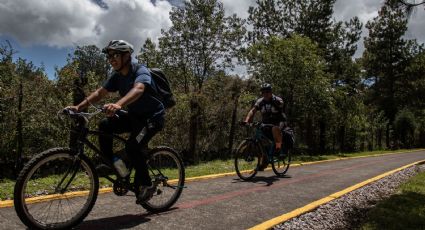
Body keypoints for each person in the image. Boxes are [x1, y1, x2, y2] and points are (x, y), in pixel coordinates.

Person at [66, 40, 164, 204]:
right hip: (135, 117)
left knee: (132, 147)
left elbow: (139, 89)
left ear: (127, 56)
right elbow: (100, 93)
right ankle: (114, 166)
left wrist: (118, 104)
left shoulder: (141, 70)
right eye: (109, 56)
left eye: (115, 55)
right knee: (105, 125)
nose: (111, 59)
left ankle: (147, 185)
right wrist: (79, 107)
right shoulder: (117, 76)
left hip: (152, 118)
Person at [244, 83, 287, 168]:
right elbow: (253, 111)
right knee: (259, 140)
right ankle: (264, 161)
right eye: (263, 92)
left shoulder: (277, 99)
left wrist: (277, 103)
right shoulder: (260, 101)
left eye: (267, 91)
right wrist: (246, 121)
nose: (265, 94)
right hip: (266, 124)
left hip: (279, 122)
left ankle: (279, 149)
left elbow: (281, 104)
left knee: (275, 128)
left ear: (271, 92)